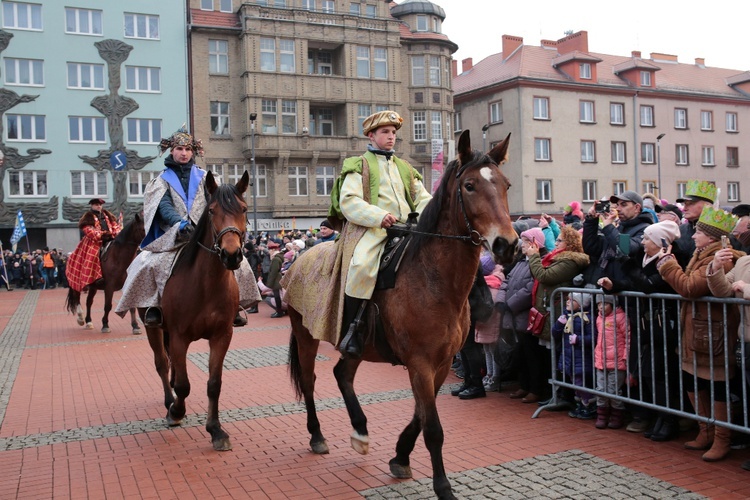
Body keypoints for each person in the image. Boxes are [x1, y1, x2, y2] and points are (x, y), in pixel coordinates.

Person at [116, 125, 260, 326]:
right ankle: (153, 306)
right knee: (148, 264)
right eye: (179, 149)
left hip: (204, 234)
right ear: (171, 151)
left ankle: (235, 306)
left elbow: (216, 203)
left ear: (193, 152)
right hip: (174, 235)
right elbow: (163, 206)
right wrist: (179, 223)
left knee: (239, 262)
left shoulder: (205, 177)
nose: (184, 153)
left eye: (187, 150)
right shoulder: (161, 181)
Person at [330, 110, 432, 358]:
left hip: (409, 230)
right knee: (362, 266)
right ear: (371, 135)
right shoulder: (358, 165)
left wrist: (425, 215)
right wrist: (379, 217)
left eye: (394, 132)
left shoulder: (405, 168)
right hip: (375, 231)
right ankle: (353, 330)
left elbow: (424, 198)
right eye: (385, 132)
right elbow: (349, 201)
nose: (391, 137)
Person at [657, 205, 741, 462]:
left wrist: (668, 265)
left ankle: (721, 439)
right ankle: (706, 431)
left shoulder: (723, 256)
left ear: (712, 237)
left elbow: (690, 287)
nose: (692, 236)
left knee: (716, 384)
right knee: (695, 380)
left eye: (698, 232)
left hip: (713, 334)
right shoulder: (702, 253)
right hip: (698, 330)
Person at [599, 220, 683, 441]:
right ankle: (658, 416)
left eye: (647, 238)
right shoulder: (644, 259)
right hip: (644, 326)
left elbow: (648, 285)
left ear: (658, 242)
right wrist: (613, 285)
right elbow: (632, 283)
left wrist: (627, 263)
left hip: (662, 327)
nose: (642, 242)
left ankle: (669, 419)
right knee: (647, 374)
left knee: (660, 375)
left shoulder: (668, 261)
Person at [706, 213, 750, 468]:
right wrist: (715, 266)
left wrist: (745, 289)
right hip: (746, 339)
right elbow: (722, 290)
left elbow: (739, 288)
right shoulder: (744, 260)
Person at [581, 190, 652, 287]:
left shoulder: (646, 229)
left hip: (625, 291)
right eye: (617, 205)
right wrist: (591, 220)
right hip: (607, 289)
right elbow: (591, 247)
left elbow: (627, 249)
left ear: (637, 207)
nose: (618, 209)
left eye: (623, 205)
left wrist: (608, 228)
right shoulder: (618, 228)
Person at [551, 291, 596, 419]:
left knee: (579, 382)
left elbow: (593, 338)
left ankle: (588, 404)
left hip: (581, 358)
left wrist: (579, 339)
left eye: (572, 300)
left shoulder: (587, 319)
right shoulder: (566, 316)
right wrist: (559, 324)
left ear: (581, 305)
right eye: (568, 299)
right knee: (574, 382)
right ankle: (581, 404)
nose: (568, 302)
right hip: (568, 357)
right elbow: (555, 334)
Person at [66, 198, 122, 294]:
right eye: (96, 204)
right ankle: (90, 280)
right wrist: (102, 235)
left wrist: (116, 233)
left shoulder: (107, 215)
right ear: (91, 205)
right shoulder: (88, 216)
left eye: (100, 205)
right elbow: (88, 229)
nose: (98, 206)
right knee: (92, 254)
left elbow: (115, 225)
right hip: (95, 241)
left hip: (110, 238)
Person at [593, 294, 630, 430]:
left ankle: (616, 416)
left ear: (613, 305)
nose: (601, 307)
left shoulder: (621, 318)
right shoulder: (599, 318)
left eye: (605, 304)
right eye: (599, 304)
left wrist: (625, 357)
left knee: (613, 390)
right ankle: (602, 416)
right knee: (601, 389)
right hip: (601, 360)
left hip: (617, 361)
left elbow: (628, 338)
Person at [672, 180, 716, 268]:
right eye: (684, 204)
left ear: (707, 206)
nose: (684, 208)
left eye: (691, 204)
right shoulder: (679, 230)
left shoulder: (717, 232)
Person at [264, 240, 286, 318]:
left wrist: (269, 284)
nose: (269, 252)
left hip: (276, 280)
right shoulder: (278, 257)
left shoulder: (275, 259)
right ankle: (279, 311)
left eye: (270, 250)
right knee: (277, 296)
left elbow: (273, 272)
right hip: (278, 279)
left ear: (273, 250)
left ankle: (279, 311)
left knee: (277, 297)